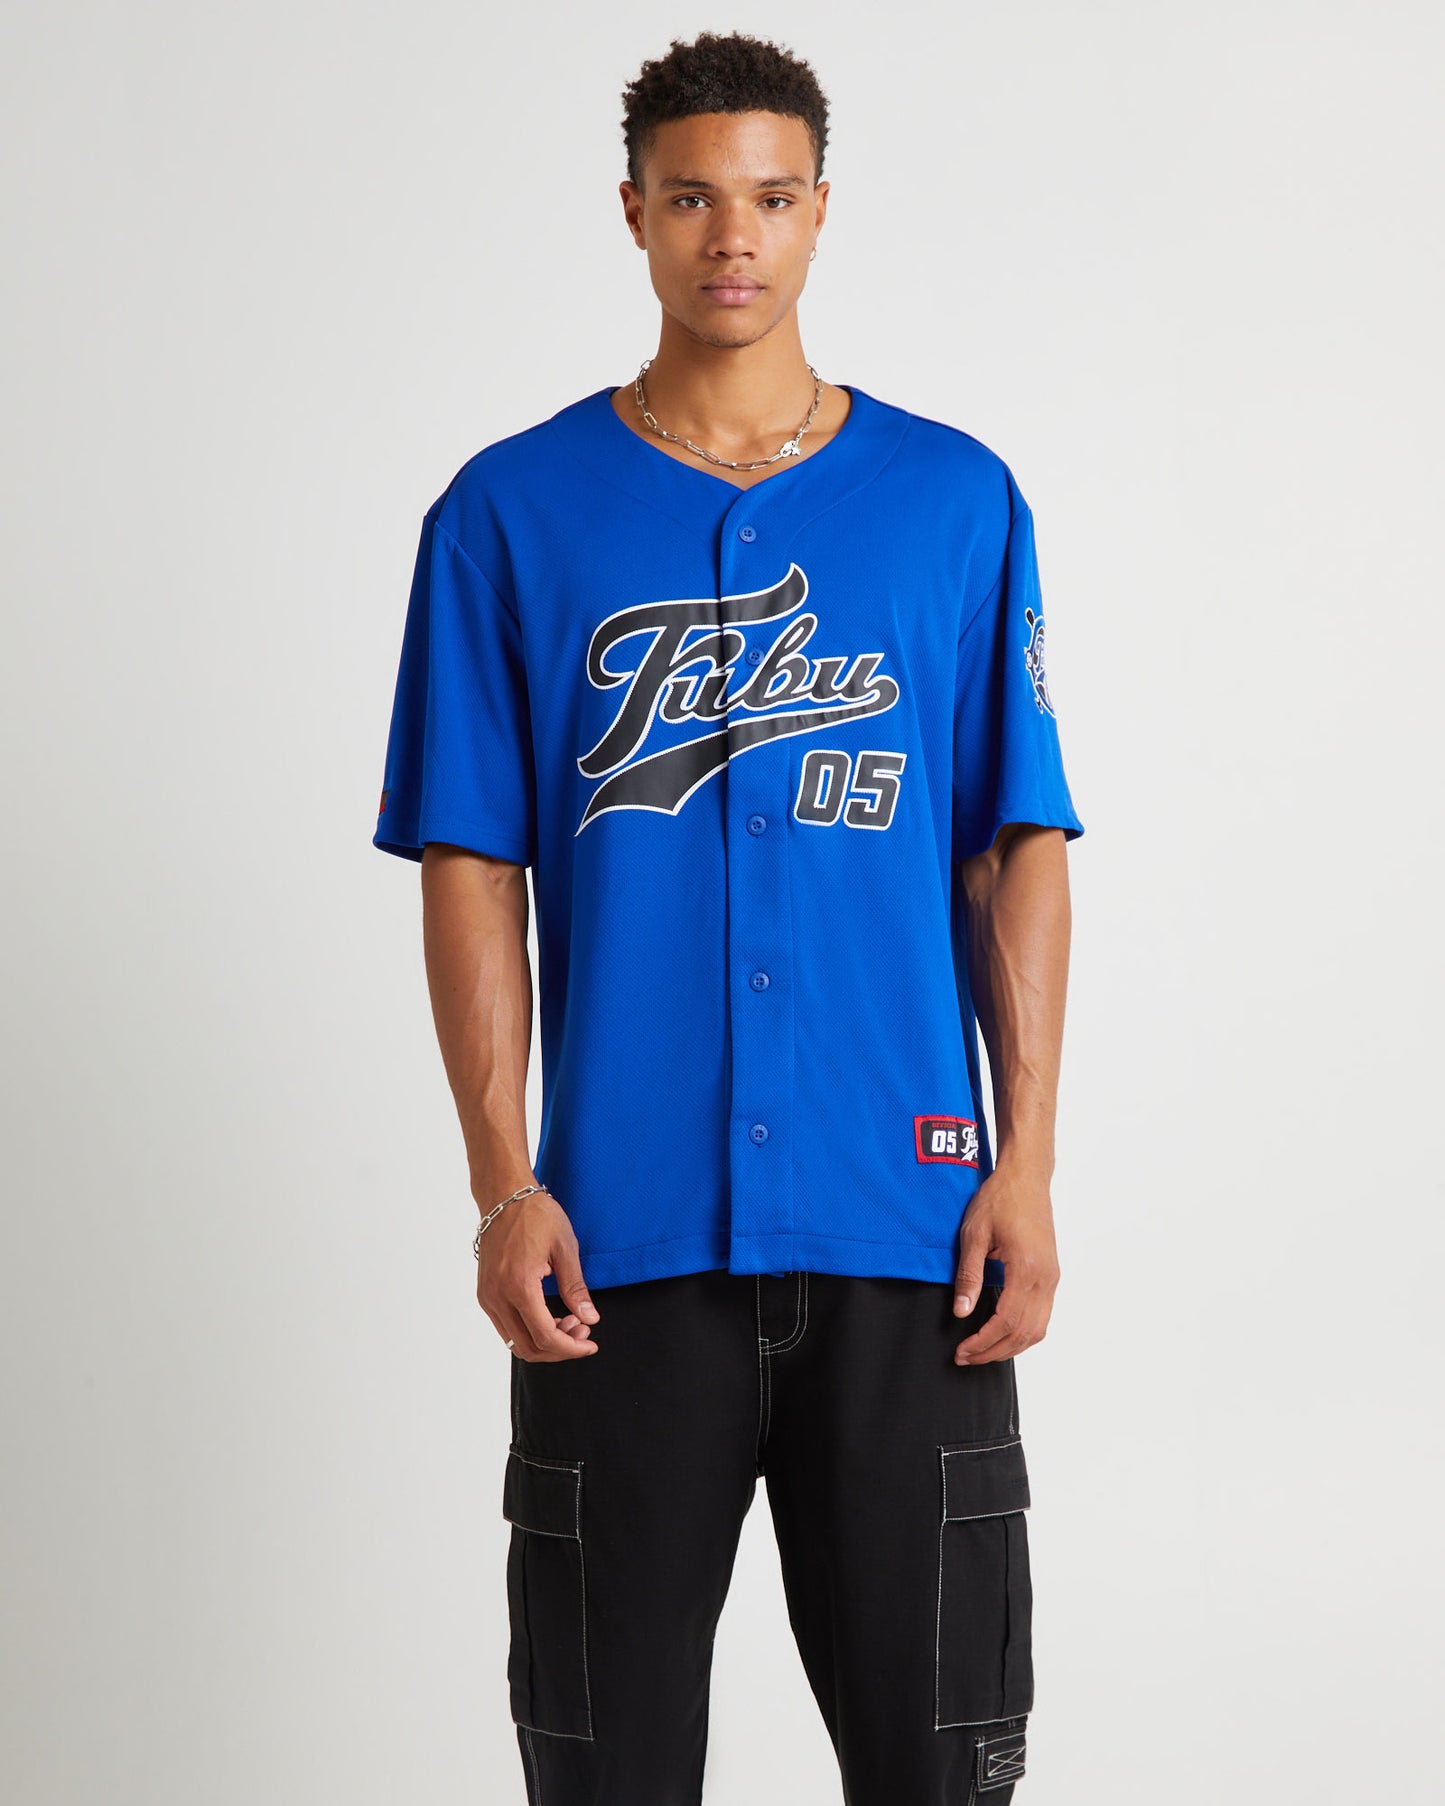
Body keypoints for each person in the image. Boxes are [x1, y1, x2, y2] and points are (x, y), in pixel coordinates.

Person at [371, 28, 1085, 1806]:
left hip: (910, 1239)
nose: (732, 237)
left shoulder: (954, 501)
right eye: (691, 198)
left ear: (822, 209)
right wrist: (503, 1182)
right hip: (617, 1252)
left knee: (941, 1771)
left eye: (769, 196)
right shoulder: (507, 513)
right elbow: (471, 861)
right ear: (632, 212)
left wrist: (1026, 1162)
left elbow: (1010, 844)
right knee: (603, 1773)